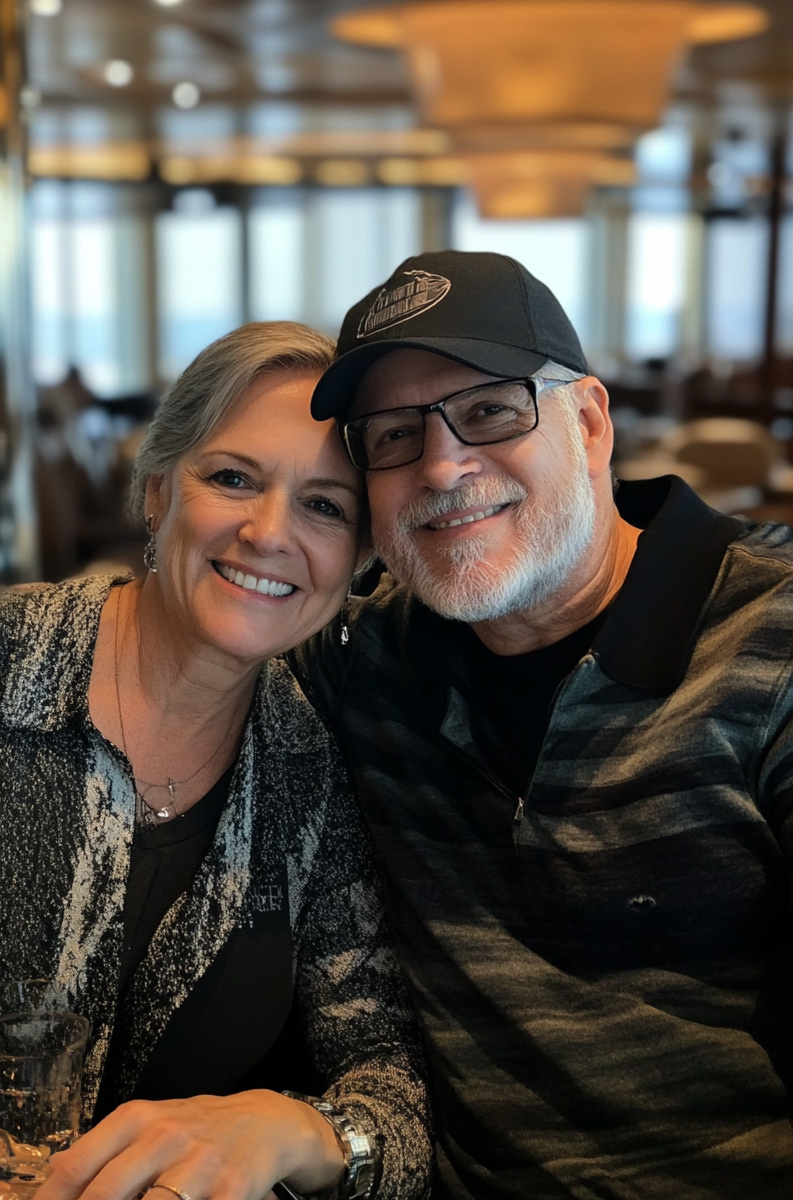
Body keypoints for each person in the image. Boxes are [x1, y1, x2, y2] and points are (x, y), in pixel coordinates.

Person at [291, 250, 793, 1199]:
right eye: (393, 436)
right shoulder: (367, 659)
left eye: (490, 411)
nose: (442, 464)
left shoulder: (773, 644)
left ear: (591, 423)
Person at [0, 322, 431, 1200]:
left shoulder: (309, 765)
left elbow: (391, 1084)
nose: (268, 533)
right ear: (156, 494)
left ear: (359, 562)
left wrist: (305, 1130)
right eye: (232, 478)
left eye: (325, 507)